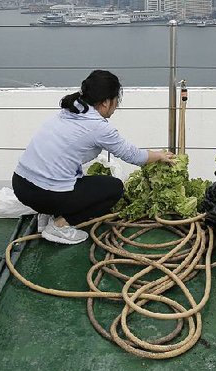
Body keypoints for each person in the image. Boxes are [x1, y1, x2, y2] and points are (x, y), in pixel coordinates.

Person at [12, 70, 174, 245]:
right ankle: (59, 225)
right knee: (114, 188)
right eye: (116, 101)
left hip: (20, 184)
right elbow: (133, 155)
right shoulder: (98, 126)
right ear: (105, 102)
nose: (116, 105)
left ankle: (47, 215)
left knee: (73, 179)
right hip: (45, 195)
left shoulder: (71, 109)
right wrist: (159, 155)